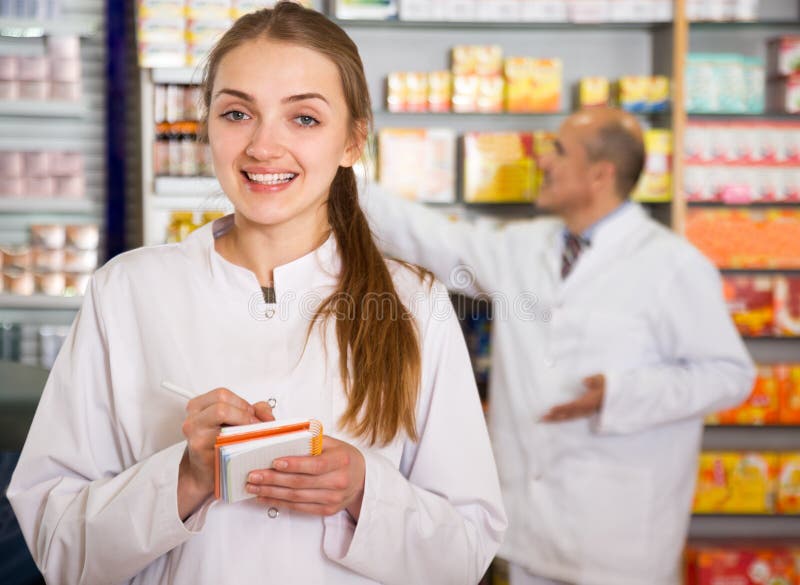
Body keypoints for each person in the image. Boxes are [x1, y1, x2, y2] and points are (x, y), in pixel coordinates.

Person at [6, 3, 507, 584]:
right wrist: (187, 477)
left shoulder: (413, 302)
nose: (263, 147)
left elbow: (465, 552)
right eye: (238, 113)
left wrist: (364, 491)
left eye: (304, 119)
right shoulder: (127, 292)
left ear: (353, 141)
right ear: (207, 127)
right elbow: (57, 546)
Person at [360, 107, 755, 585]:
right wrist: (343, 174)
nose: (543, 161)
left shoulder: (673, 265)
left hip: (620, 541)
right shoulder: (525, 248)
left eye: (559, 151)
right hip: (529, 536)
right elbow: (428, 237)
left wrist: (621, 395)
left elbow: (729, 375)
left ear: (599, 174)